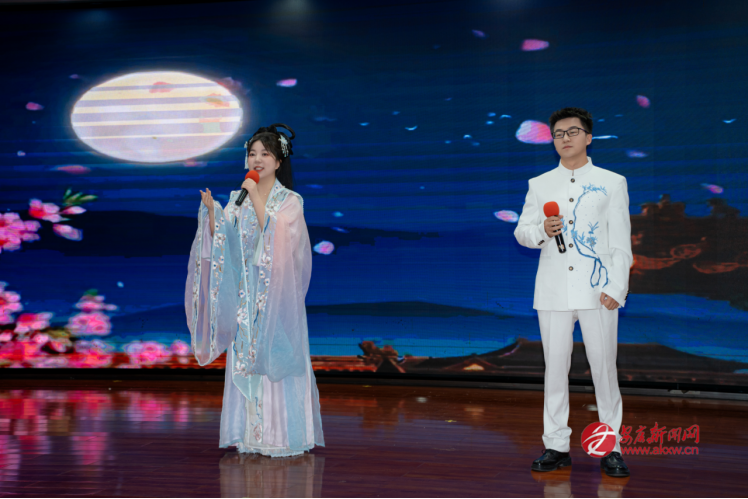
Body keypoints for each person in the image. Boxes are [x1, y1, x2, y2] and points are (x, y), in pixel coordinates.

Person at [186, 123, 324, 457]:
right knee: (245, 359)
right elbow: (226, 242)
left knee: (275, 356)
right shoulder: (238, 201)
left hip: (275, 296)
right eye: (252, 154)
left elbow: (278, 238)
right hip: (245, 297)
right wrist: (212, 216)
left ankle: (280, 436)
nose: (257, 159)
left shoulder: (290, 201)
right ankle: (250, 434)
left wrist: (256, 195)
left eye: (265, 154)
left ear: (279, 161)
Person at [514, 107, 632, 477]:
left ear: (588, 137)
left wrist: (617, 287)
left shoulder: (612, 182)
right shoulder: (539, 184)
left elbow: (621, 242)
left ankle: (611, 447)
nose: (565, 138)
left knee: (604, 370)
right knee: (554, 370)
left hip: (598, 290)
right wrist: (541, 231)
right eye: (558, 133)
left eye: (573, 131)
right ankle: (556, 445)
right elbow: (522, 232)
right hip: (553, 290)